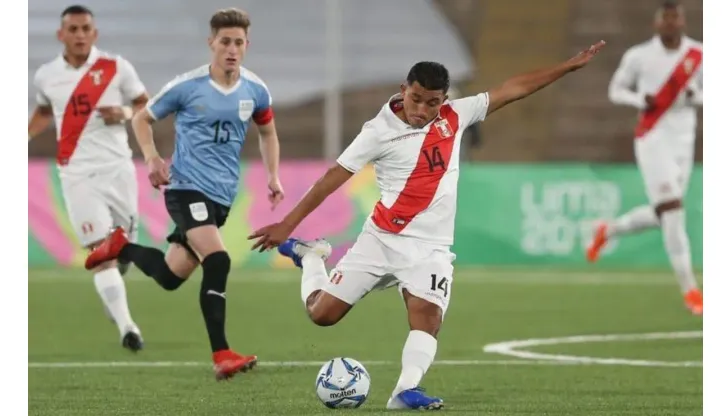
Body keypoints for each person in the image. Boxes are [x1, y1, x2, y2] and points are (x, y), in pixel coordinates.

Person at [248, 41, 605, 409]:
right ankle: (312, 257)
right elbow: (331, 179)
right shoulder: (378, 131)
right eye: (416, 98)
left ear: (444, 99)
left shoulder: (455, 115)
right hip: (382, 240)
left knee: (427, 315)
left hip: (430, 249)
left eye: (432, 102)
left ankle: (404, 390)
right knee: (322, 315)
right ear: (404, 89)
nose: (422, 109)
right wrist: (287, 224)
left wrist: (567, 66)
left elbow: (513, 89)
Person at [84, 8, 285, 380]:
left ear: (247, 46)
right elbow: (141, 118)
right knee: (219, 260)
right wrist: (152, 158)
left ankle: (120, 246)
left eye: (238, 42)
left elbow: (268, 133)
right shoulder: (187, 86)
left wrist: (273, 176)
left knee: (170, 276)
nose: (231, 49)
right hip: (185, 188)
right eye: (225, 41)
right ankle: (222, 354)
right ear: (211, 43)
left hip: (222, 197)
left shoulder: (256, 90)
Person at [28, 5, 149, 352]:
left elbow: (145, 104)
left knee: (123, 249)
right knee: (101, 252)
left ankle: (114, 292)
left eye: (85, 29)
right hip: (76, 173)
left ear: (94, 34)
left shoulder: (116, 68)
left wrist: (125, 113)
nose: (79, 35)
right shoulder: (47, 76)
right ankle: (128, 327)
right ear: (60, 34)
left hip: (117, 169)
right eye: (73, 29)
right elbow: (43, 110)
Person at [587, 0, 702, 315]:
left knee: (664, 213)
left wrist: (696, 97)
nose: (670, 23)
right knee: (673, 211)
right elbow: (616, 90)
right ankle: (690, 288)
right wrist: (641, 98)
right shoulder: (639, 56)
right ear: (656, 24)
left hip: (683, 142)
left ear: (682, 22)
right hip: (652, 138)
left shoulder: (699, 54)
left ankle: (607, 231)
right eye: (664, 18)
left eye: (674, 18)